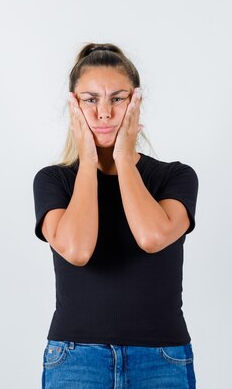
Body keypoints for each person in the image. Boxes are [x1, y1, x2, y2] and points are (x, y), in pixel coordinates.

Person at [32, 43, 199, 389]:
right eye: (90, 100)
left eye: (117, 98)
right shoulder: (53, 180)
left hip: (161, 359)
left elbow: (152, 237)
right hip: (76, 359)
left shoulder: (175, 177)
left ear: (136, 103)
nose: (104, 113)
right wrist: (88, 162)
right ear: (73, 106)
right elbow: (77, 251)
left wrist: (124, 159)